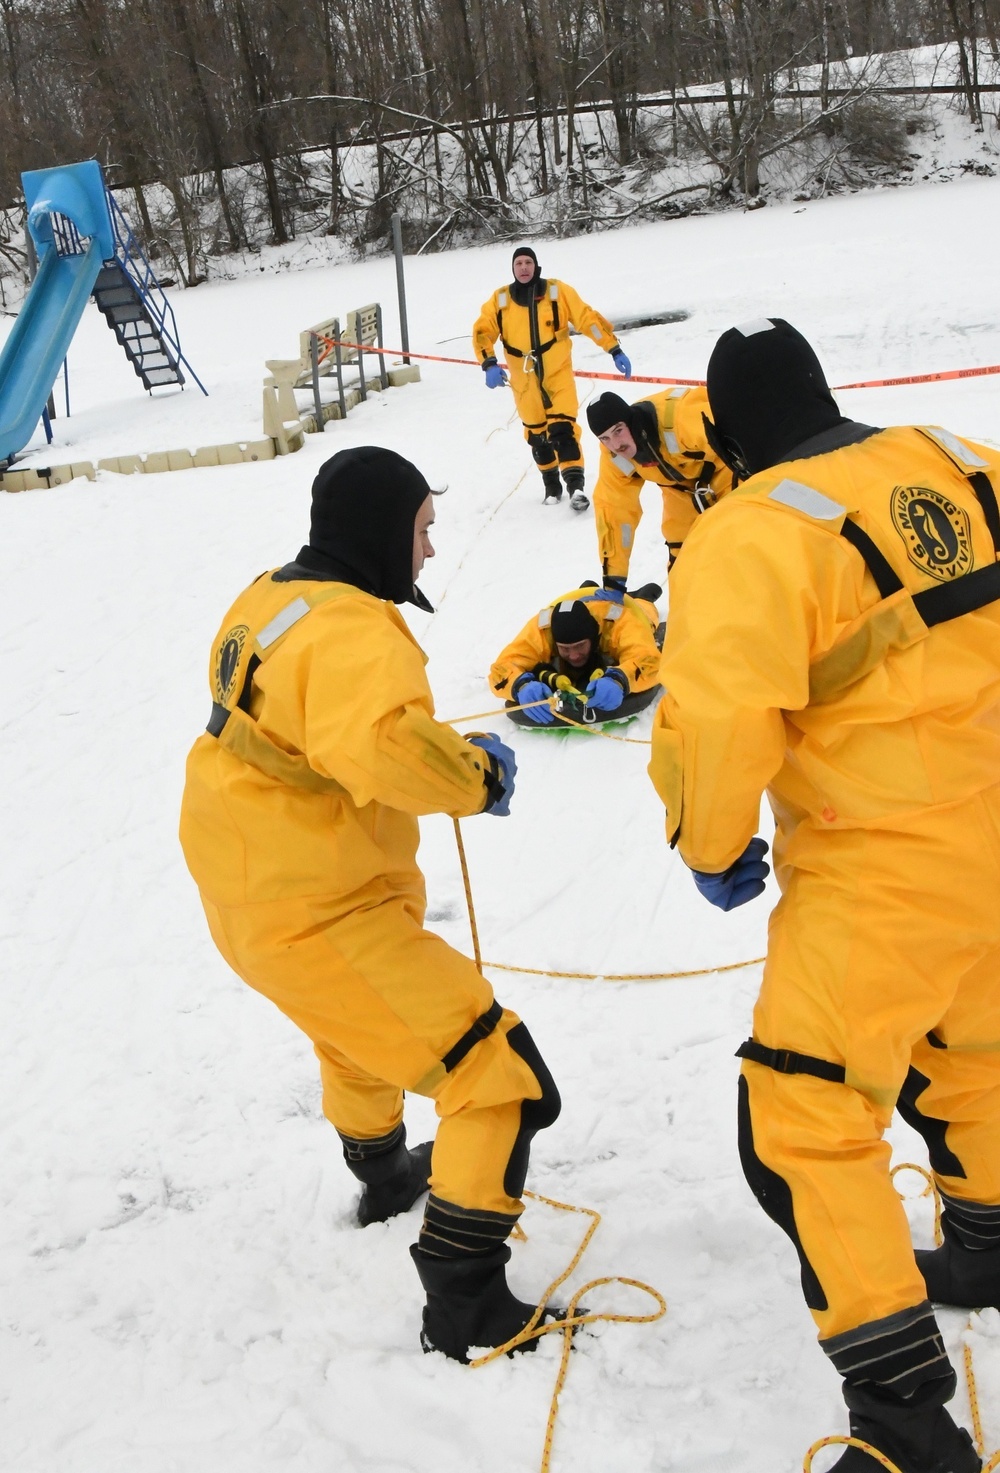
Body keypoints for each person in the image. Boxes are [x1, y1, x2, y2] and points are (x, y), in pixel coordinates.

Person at [648, 317, 1000, 1471]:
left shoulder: (749, 535)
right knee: (977, 1058)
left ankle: (903, 1426)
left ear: (730, 437)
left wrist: (707, 845)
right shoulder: (959, 459)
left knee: (800, 1118)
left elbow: (715, 718)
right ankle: (989, 1249)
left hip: (883, 868)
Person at [179, 446, 562, 1364]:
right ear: (383, 531)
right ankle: (463, 1299)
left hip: (252, 883)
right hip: (315, 904)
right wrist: (474, 774)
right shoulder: (356, 632)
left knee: (354, 1033)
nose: (429, 550)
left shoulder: (273, 594)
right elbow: (388, 746)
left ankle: (385, 1174)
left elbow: (322, 731)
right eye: (423, 529)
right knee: (497, 1072)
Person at [473, 245, 631, 509]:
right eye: (519, 263)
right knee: (537, 435)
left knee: (563, 430)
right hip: (524, 380)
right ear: (513, 269)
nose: (523, 268)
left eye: (528, 262)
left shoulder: (557, 292)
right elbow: (482, 331)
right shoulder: (500, 300)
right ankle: (551, 487)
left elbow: (587, 319)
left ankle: (576, 488)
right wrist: (488, 363)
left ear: (536, 266)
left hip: (557, 374)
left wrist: (613, 348)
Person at [586, 387, 733, 591]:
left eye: (618, 431)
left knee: (738, 537)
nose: (616, 444)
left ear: (630, 421)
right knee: (682, 559)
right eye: (605, 438)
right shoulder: (614, 458)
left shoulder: (681, 420)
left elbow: (741, 434)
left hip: (727, 472)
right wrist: (614, 579)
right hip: (679, 490)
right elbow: (614, 511)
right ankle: (690, 618)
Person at [490, 582, 661, 725]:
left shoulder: (621, 622)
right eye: (565, 648)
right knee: (585, 592)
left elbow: (649, 661)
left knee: (646, 613)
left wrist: (622, 679)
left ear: (593, 639)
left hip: (622, 610)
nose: (573, 655)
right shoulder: (542, 629)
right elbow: (502, 668)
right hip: (579, 600)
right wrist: (520, 686)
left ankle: (643, 597)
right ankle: (589, 587)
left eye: (579, 646)